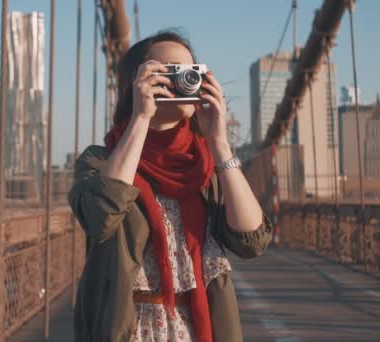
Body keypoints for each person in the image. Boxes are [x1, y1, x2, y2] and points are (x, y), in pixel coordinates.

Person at [68, 29, 273, 342]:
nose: (183, 81)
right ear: (136, 84)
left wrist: (218, 142)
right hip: (130, 330)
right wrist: (140, 117)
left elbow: (252, 240)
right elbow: (100, 216)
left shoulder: (207, 169)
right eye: (168, 73)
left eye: (190, 72)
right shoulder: (101, 161)